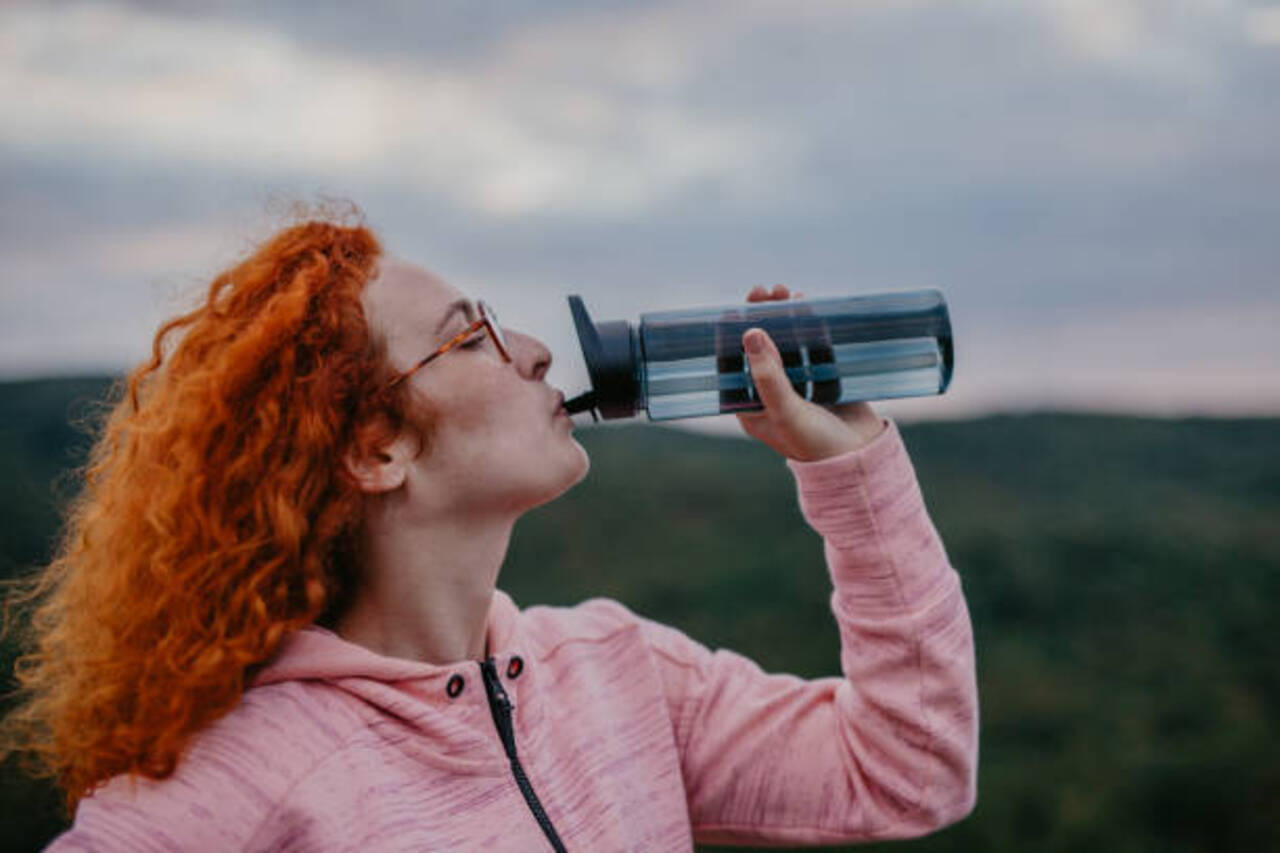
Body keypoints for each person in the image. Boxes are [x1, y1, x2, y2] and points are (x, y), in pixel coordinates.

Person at [3, 216, 978, 851]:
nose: (540, 351)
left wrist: (848, 471)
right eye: (470, 336)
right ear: (376, 449)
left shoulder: (620, 671)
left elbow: (907, 768)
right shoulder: (252, 782)